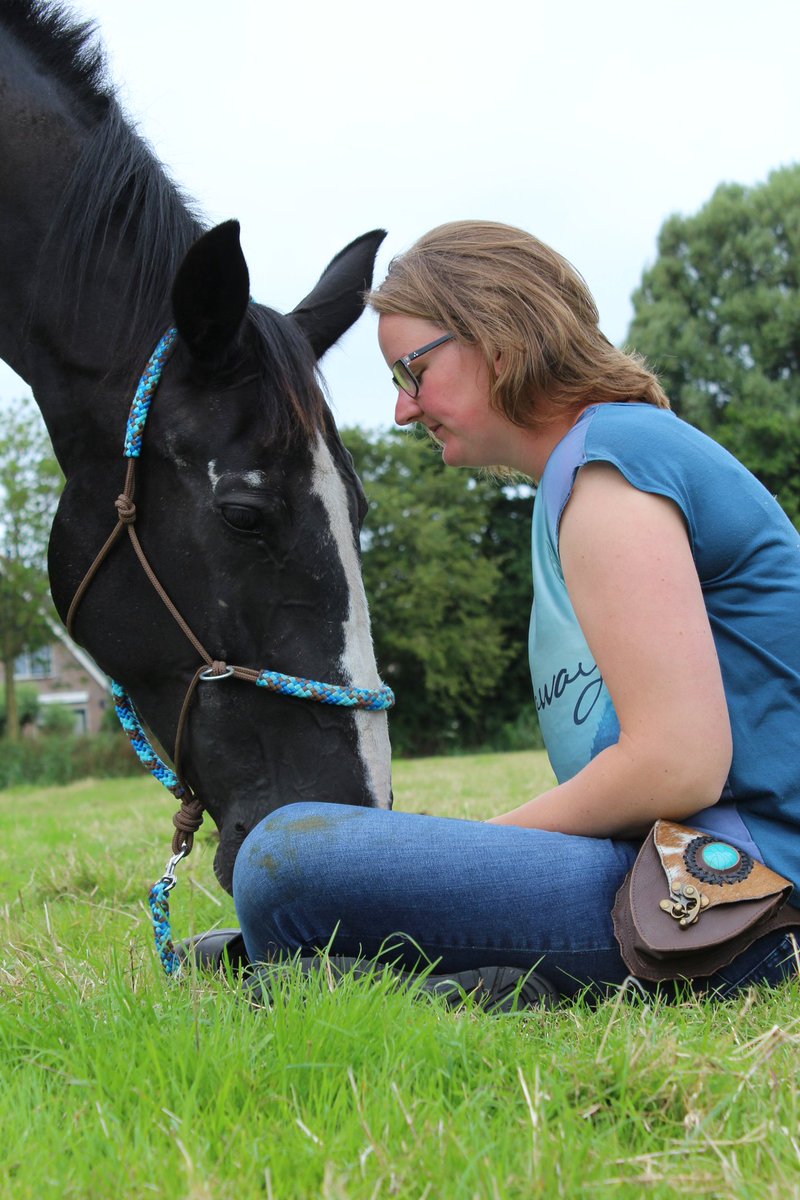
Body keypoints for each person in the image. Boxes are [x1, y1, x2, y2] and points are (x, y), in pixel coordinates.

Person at [225, 221, 800, 1005]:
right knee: (313, 861)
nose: (401, 409)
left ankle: (387, 977)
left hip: (744, 901)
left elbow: (678, 762)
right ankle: (424, 982)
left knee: (285, 859)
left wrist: (471, 848)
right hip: (682, 875)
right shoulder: (602, 464)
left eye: (412, 371)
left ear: (498, 341)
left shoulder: (610, 473)